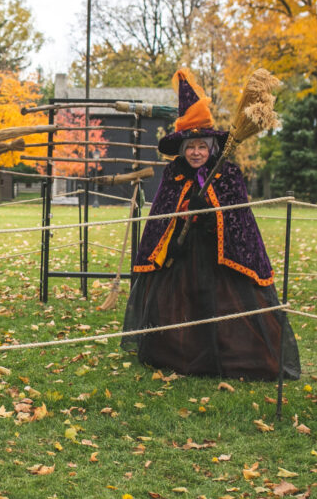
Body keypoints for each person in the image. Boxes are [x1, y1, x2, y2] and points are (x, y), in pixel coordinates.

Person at [121, 69, 300, 381]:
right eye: (190, 147)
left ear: (211, 148)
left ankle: (235, 357)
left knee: (223, 307)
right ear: (181, 149)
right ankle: (180, 357)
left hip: (223, 261)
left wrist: (210, 215)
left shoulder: (227, 174)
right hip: (180, 259)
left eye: (201, 146)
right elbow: (161, 218)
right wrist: (175, 235)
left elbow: (238, 220)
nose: (195, 152)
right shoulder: (173, 174)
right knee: (182, 306)